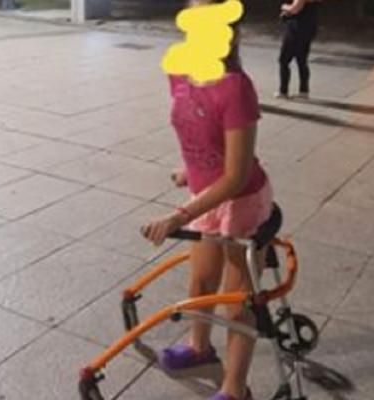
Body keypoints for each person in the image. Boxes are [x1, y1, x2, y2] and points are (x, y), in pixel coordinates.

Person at [141, 1, 274, 399]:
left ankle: (235, 389)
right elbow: (194, 129)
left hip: (241, 203)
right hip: (205, 196)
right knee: (200, 280)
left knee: (237, 304)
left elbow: (236, 175)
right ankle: (199, 347)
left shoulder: (236, 87)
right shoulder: (178, 71)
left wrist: (178, 216)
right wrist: (192, 170)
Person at [275, 0, 320, 98]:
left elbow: (295, 9)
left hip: (296, 30)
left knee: (284, 60)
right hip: (308, 29)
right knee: (302, 60)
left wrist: (284, 7)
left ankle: (283, 91)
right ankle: (304, 90)